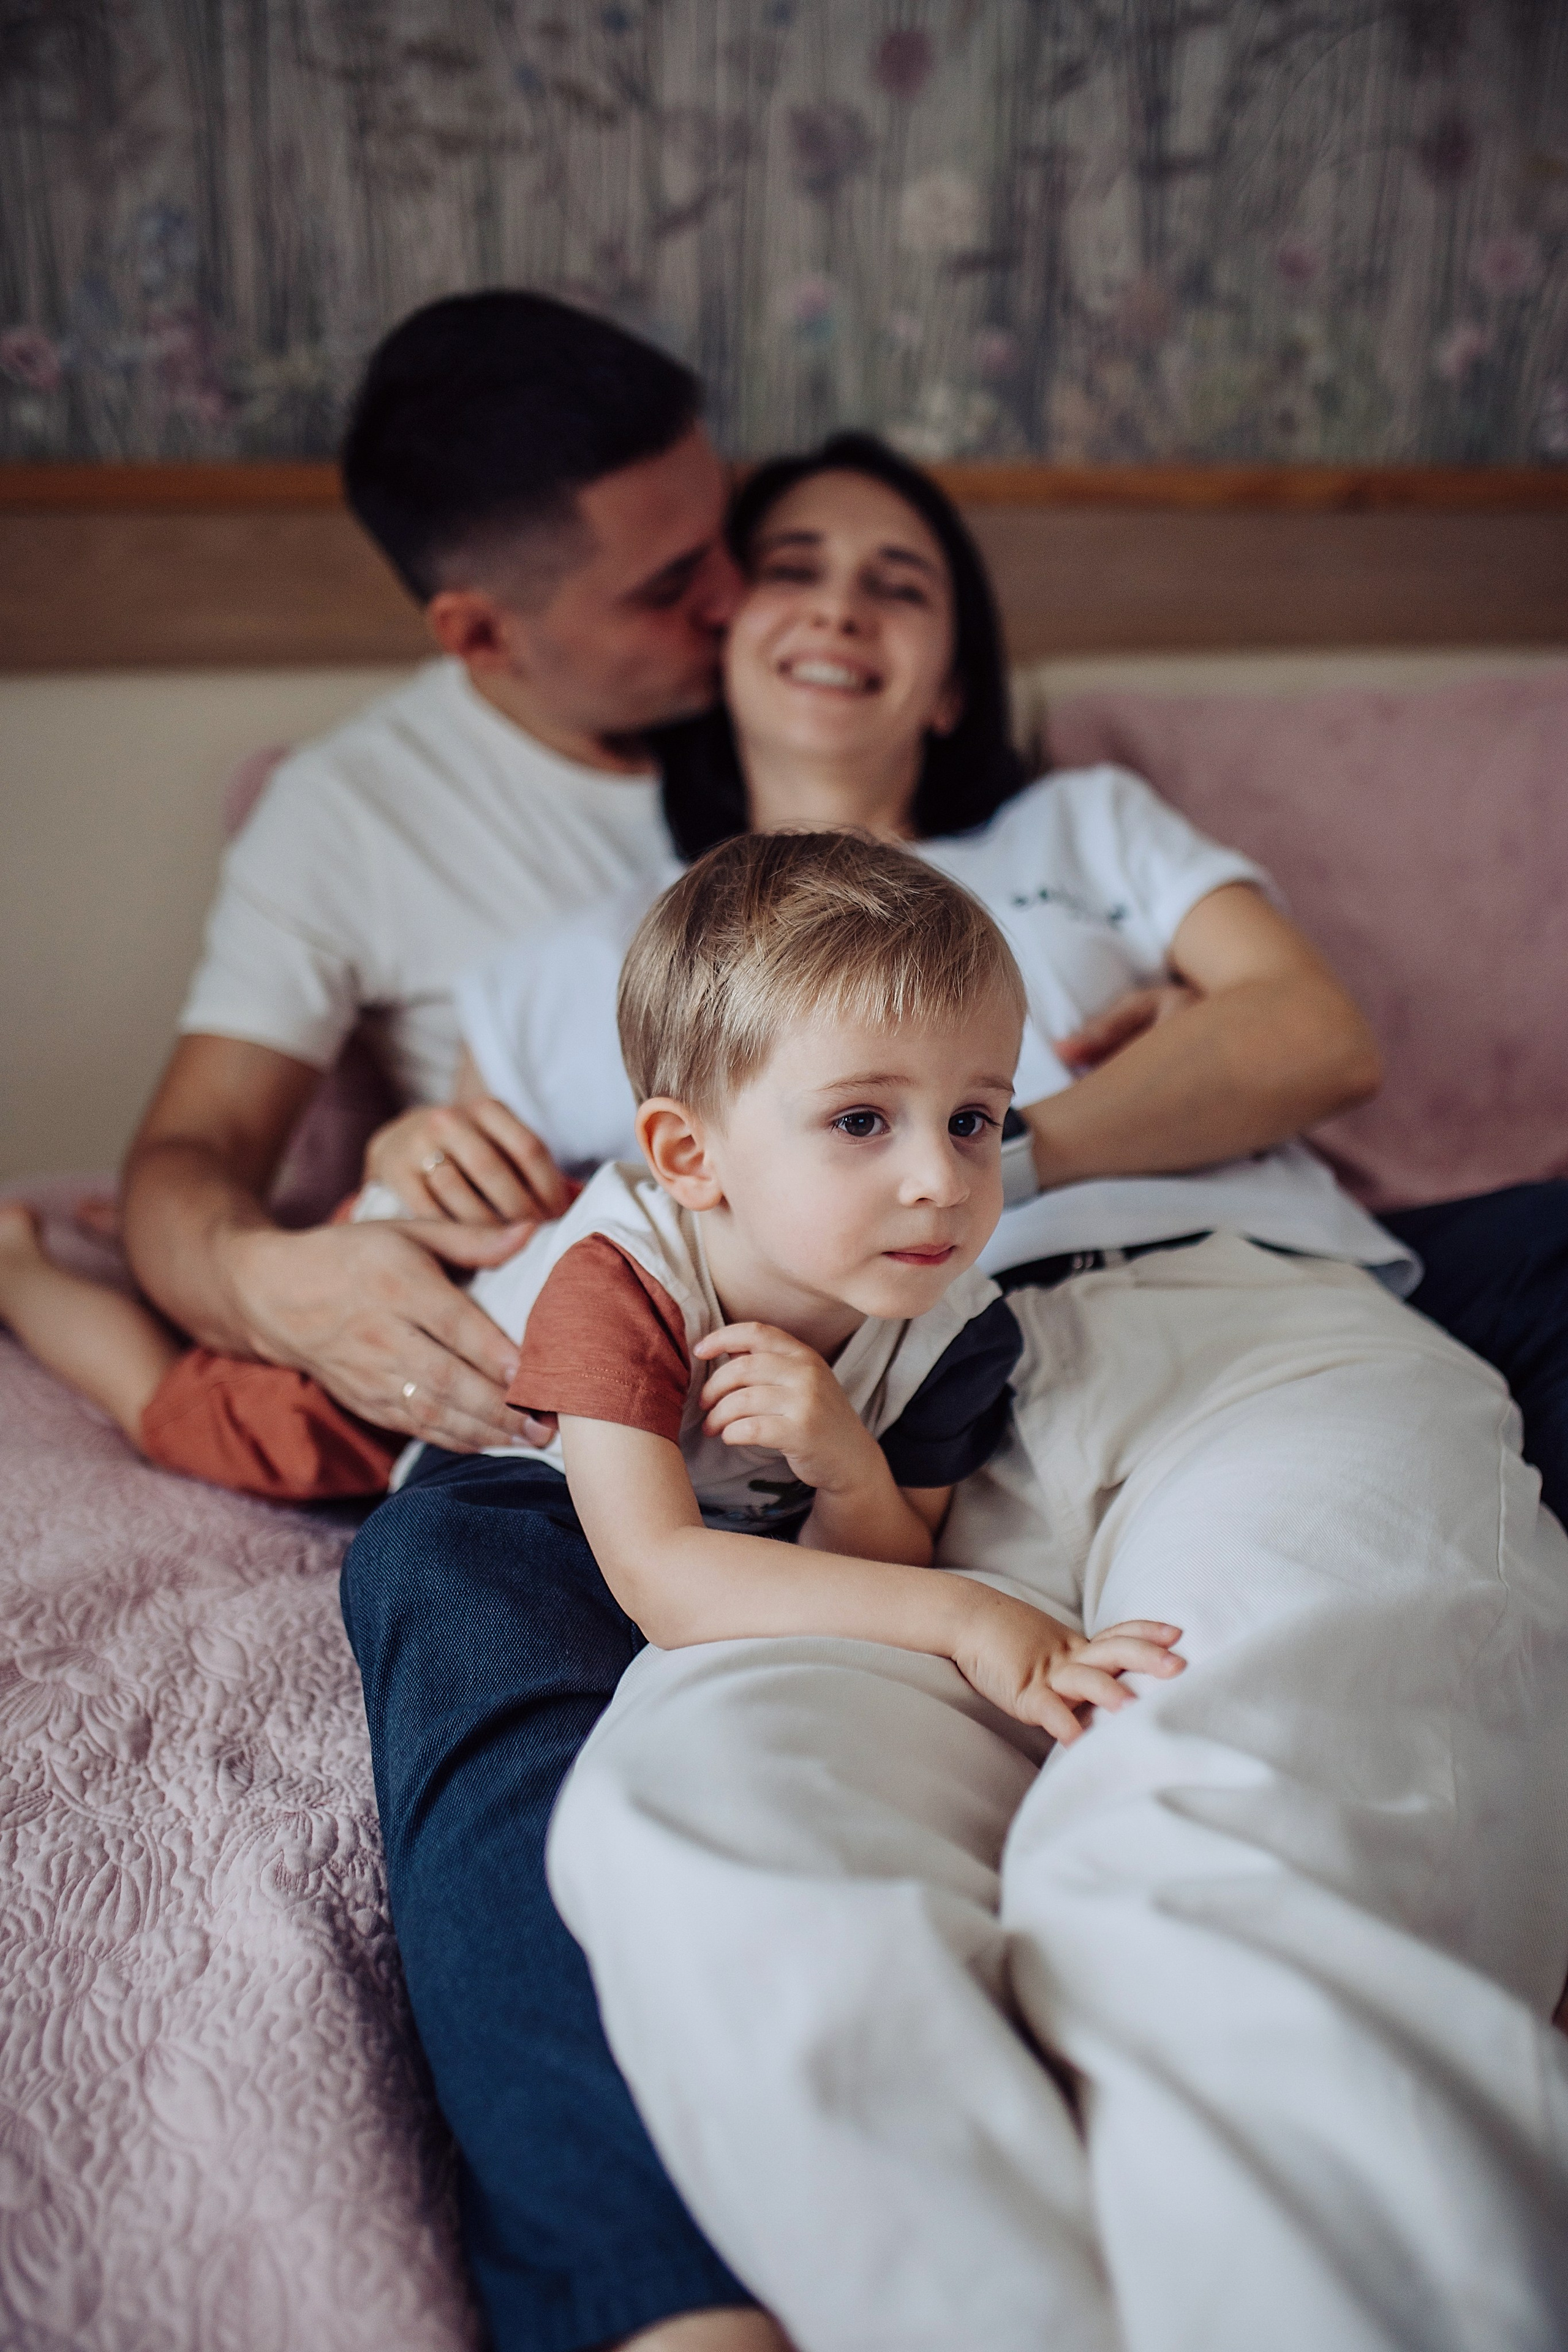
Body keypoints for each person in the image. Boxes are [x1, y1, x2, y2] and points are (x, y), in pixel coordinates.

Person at [355, 434, 1568, 2351]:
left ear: (953, 663)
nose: (843, 602)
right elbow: (498, 1225)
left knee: (1220, 1805)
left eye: (902, 579)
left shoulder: (1074, 837)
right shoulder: (568, 969)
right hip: (857, 1431)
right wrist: (377, 1202)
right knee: (701, 1811)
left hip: (1216, 1320)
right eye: (796, 564)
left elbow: (1309, 1035)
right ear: (715, 622)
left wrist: (1002, 1154)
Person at [118, 290, 742, 1460]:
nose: (737, 596)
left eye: (728, 532)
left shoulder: (813, 691)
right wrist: (272, 1288)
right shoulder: (351, 814)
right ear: (480, 635)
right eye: (667, 587)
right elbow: (184, 1158)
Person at [390, 829, 1185, 1732]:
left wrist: (847, 1466)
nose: (943, 1179)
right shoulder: (620, 1283)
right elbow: (663, 1581)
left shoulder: (956, 1330)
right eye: (859, 1120)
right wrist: (972, 1616)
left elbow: (888, 1558)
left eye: (972, 1119)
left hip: (714, 1528)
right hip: (516, 1465)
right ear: (691, 1156)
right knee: (407, 1535)